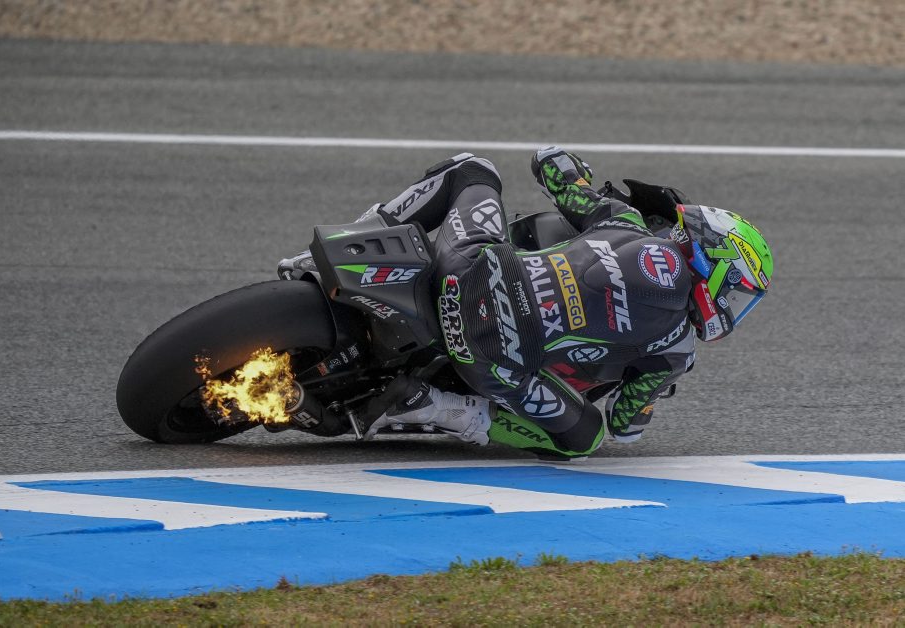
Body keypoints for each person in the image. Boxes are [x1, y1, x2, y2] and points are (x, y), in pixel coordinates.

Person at [280, 148, 773, 459]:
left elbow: (550, 164)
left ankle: (355, 239)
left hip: (466, 272)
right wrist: (647, 401)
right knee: (585, 440)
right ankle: (439, 406)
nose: (731, 307)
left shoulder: (623, 220)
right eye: (736, 293)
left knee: (472, 169)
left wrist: (571, 166)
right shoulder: (675, 348)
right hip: (498, 363)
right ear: (715, 268)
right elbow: (624, 427)